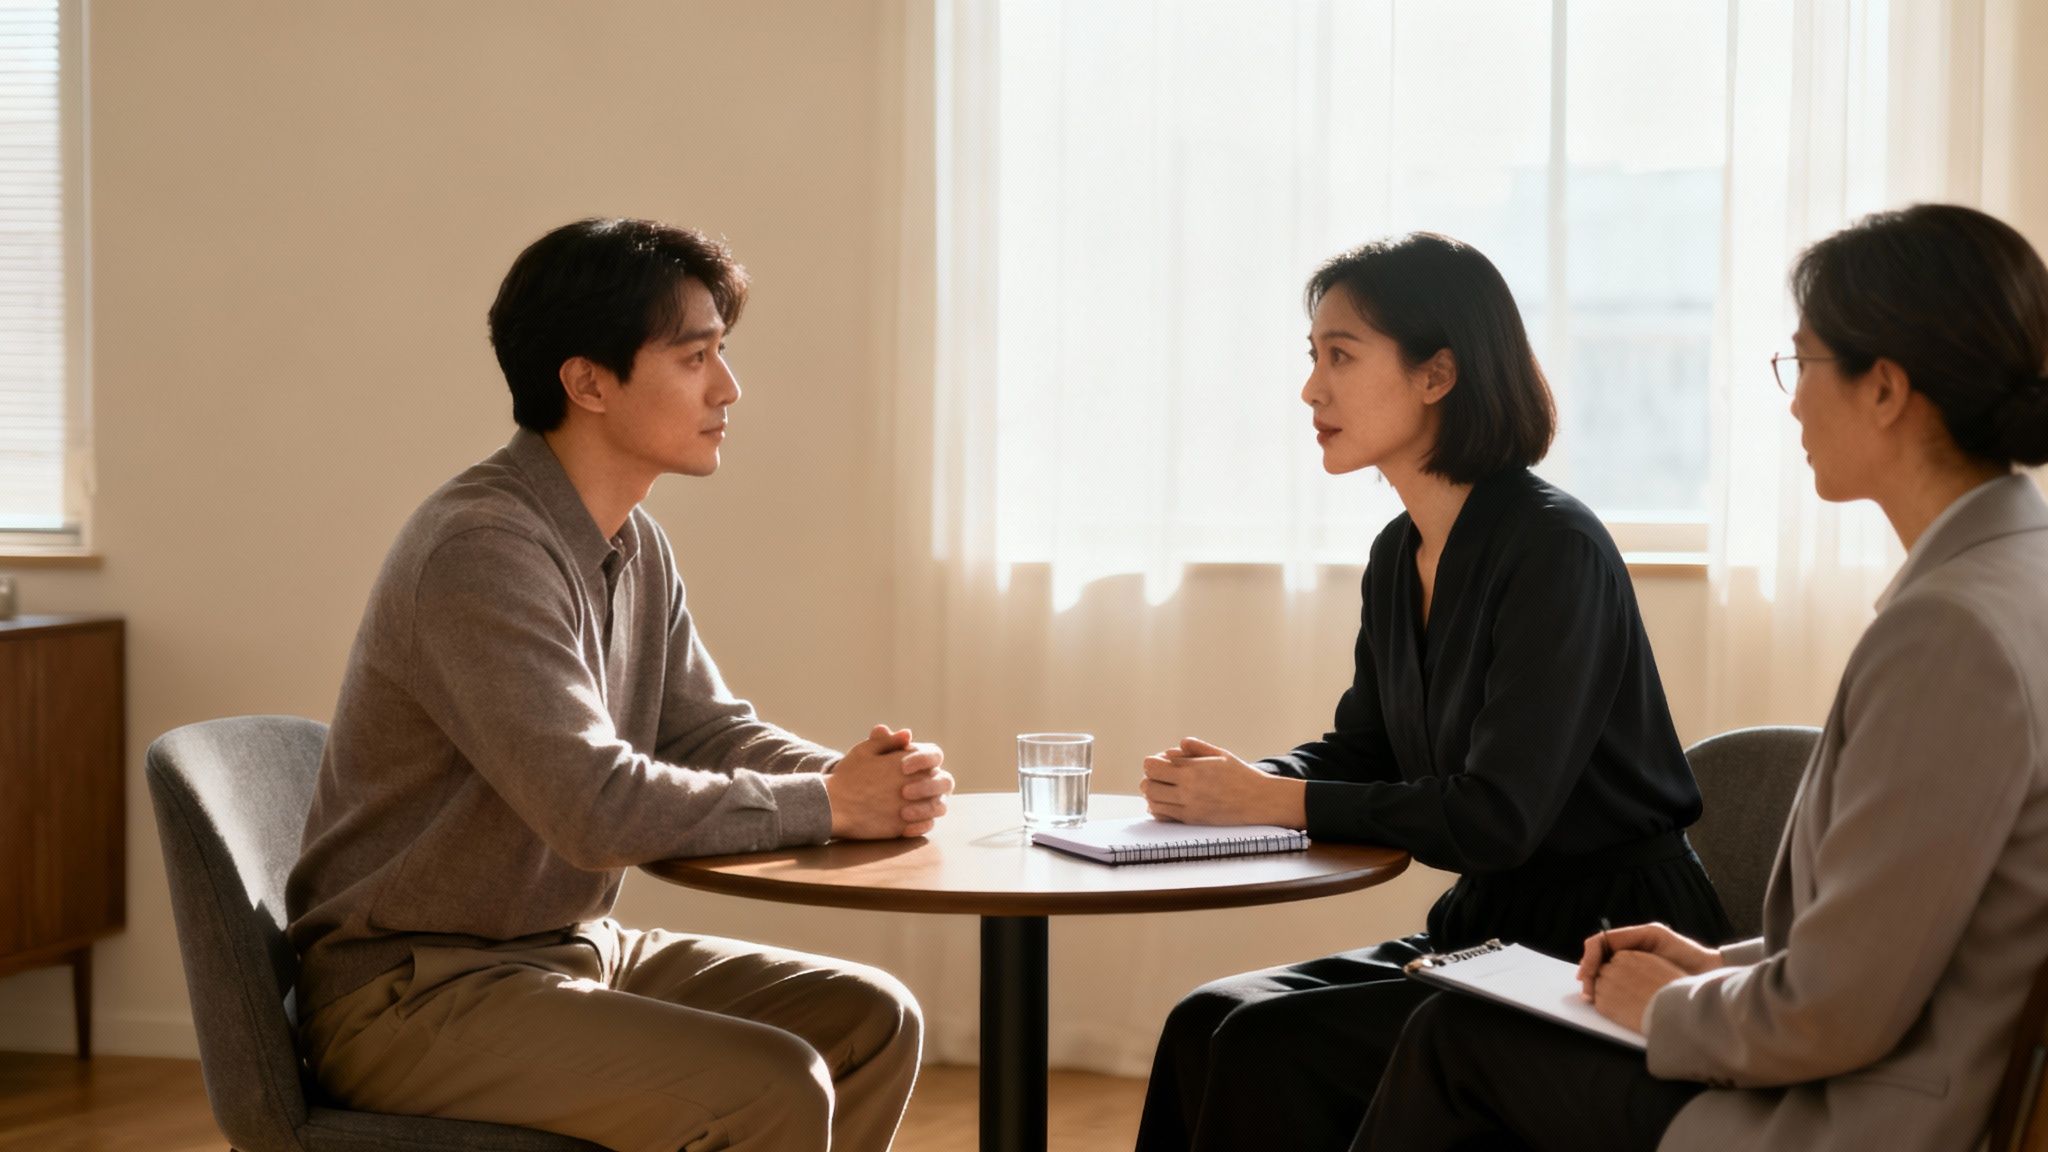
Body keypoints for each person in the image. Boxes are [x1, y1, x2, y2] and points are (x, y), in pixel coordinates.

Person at [1354, 203, 2048, 1152]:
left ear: (1884, 388)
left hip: (1859, 1114)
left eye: (1803, 362)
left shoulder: (1949, 632)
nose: (1792, 401)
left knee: (1456, 1044)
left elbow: (1836, 1013)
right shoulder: (2014, 574)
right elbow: (1900, 936)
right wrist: (1714, 966)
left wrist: (1666, 1005)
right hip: (1866, 1060)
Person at [284, 218, 956, 1152]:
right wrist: (831, 805)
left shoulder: (633, 541)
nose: (728, 388)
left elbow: (705, 731)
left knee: (871, 1020)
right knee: (769, 1085)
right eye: (694, 358)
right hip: (409, 993)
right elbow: (592, 807)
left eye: (721, 352)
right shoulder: (481, 550)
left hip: (567, 953)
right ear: (588, 383)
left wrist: (852, 780)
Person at [1133, 232, 1733, 1152]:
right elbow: (1368, 750)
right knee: (1204, 1019)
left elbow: (1495, 819)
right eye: (1312, 357)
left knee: (1268, 1046)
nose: (1311, 389)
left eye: (1341, 356)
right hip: (1485, 930)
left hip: (1600, 945)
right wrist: (1243, 784)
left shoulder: (1554, 549)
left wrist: (1273, 802)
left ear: (1437, 375)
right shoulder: (1397, 554)